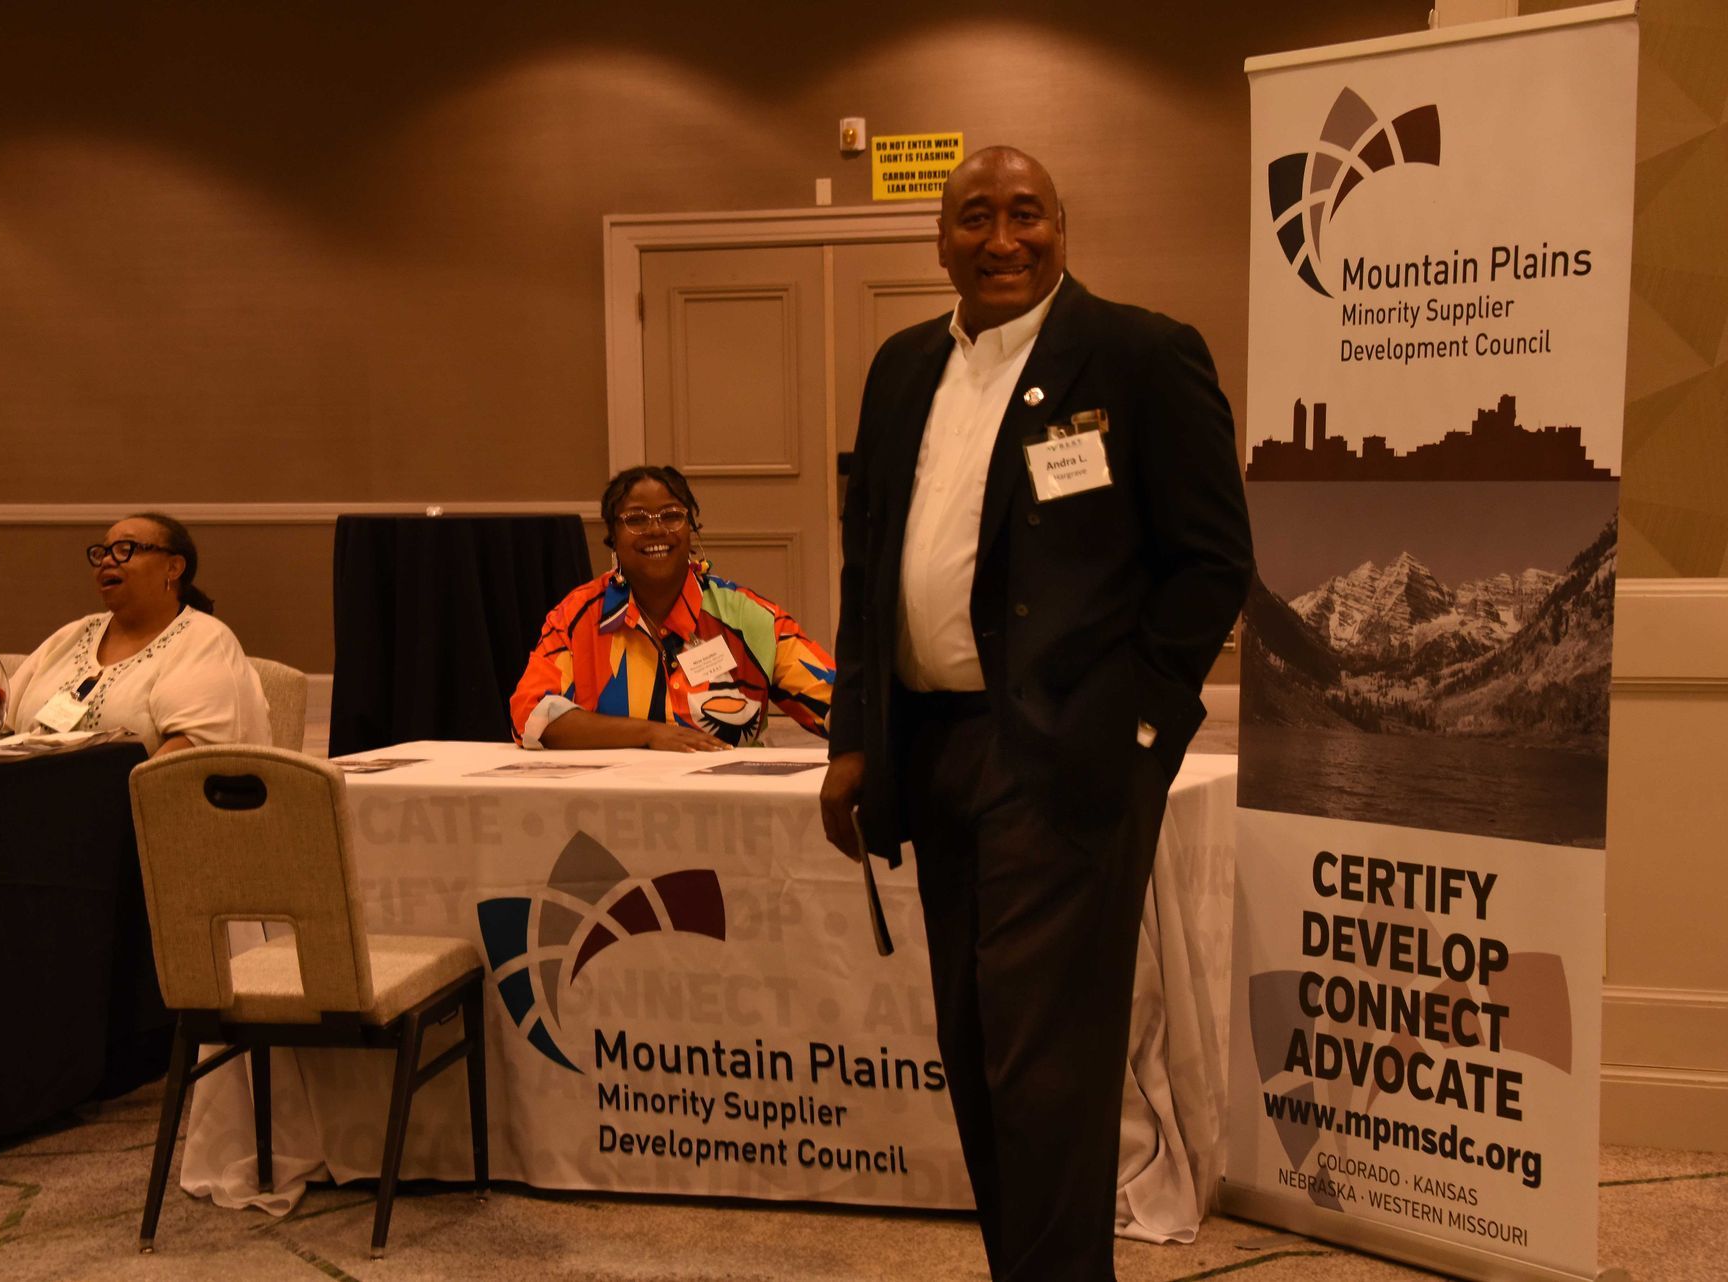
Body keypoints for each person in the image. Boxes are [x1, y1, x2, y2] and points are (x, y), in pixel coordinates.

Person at [819, 147, 1252, 1279]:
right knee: (974, 1044)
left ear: (1063, 226)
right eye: (975, 218)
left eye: (1026, 215)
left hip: (1060, 765)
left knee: (1046, 1065)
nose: (1001, 239)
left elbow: (1213, 566)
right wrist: (855, 736)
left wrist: (1135, 728)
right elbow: (869, 561)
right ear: (940, 242)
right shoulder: (902, 365)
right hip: (931, 749)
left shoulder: (1141, 355)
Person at [510, 465, 834, 751]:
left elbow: (839, 707)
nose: (656, 530)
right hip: (614, 805)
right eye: (635, 519)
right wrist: (648, 734)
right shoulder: (577, 617)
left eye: (671, 515)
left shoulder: (751, 618)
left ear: (691, 528)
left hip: (733, 803)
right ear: (613, 536)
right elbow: (531, 715)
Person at [7, 512, 271, 756]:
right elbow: (0, 718)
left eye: (126, 549)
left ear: (173, 567)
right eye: (103, 552)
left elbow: (195, 749)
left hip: (127, 802)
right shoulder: (73, 634)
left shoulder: (204, 639)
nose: (108, 560)